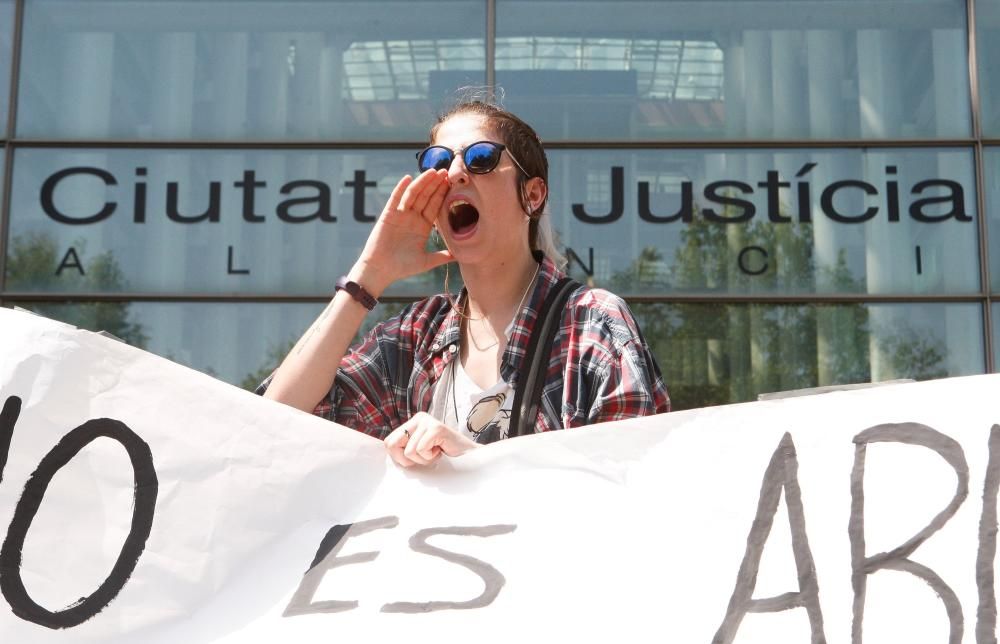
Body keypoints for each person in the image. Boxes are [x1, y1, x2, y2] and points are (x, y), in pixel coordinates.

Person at [261, 100, 669, 467]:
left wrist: (478, 467)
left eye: (480, 158)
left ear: (533, 195)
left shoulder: (591, 324)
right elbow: (276, 420)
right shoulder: (416, 337)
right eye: (438, 162)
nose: (454, 173)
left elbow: (632, 485)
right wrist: (369, 275)